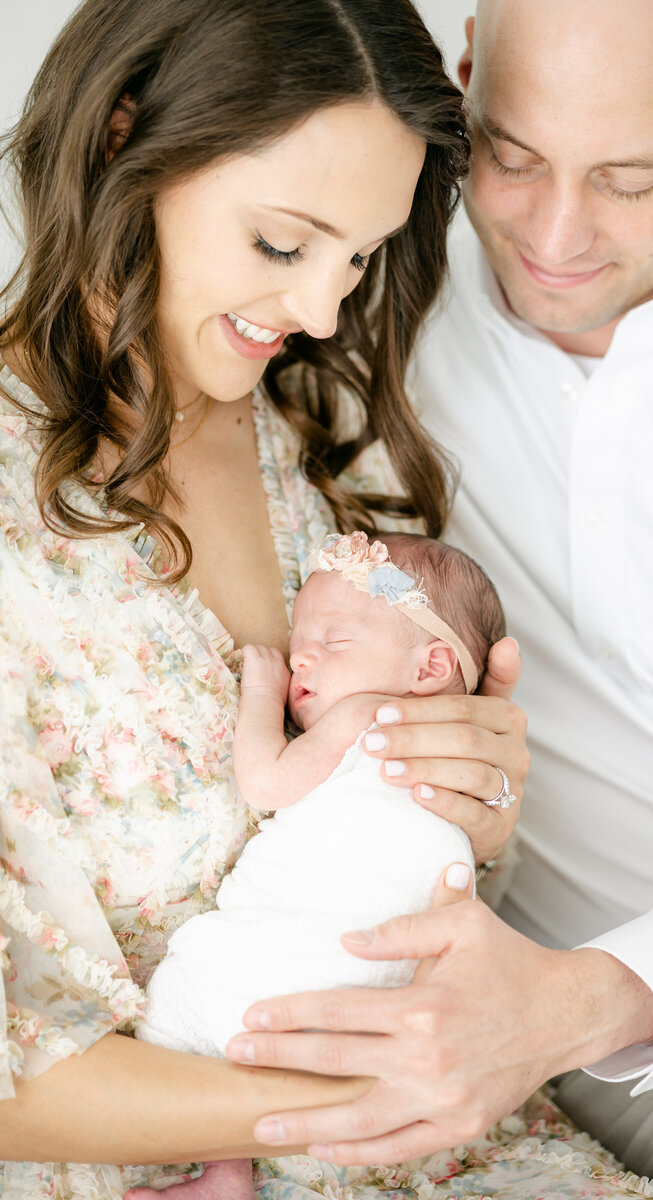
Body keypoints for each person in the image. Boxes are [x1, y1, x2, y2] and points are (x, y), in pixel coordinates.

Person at [230, 2, 653, 1198]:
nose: (552, 233)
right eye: (513, 154)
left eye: (628, 180)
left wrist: (579, 1002)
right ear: (470, 82)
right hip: (627, 1041)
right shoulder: (364, 290)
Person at [0, 1, 537, 1195]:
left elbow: (398, 867)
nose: (322, 314)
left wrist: (472, 815)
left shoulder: (326, 440)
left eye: (359, 257)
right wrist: (352, 1099)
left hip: (442, 1126)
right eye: (285, 245)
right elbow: (14, 1069)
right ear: (121, 142)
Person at [128, 530, 501, 1200]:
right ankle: (238, 1166)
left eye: (333, 641)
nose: (302, 655)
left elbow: (267, 782)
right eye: (299, 641)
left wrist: (259, 689)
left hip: (289, 956)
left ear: (430, 666)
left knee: (177, 1013)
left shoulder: (366, 716)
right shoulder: (463, 762)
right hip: (378, 994)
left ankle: (221, 1170)